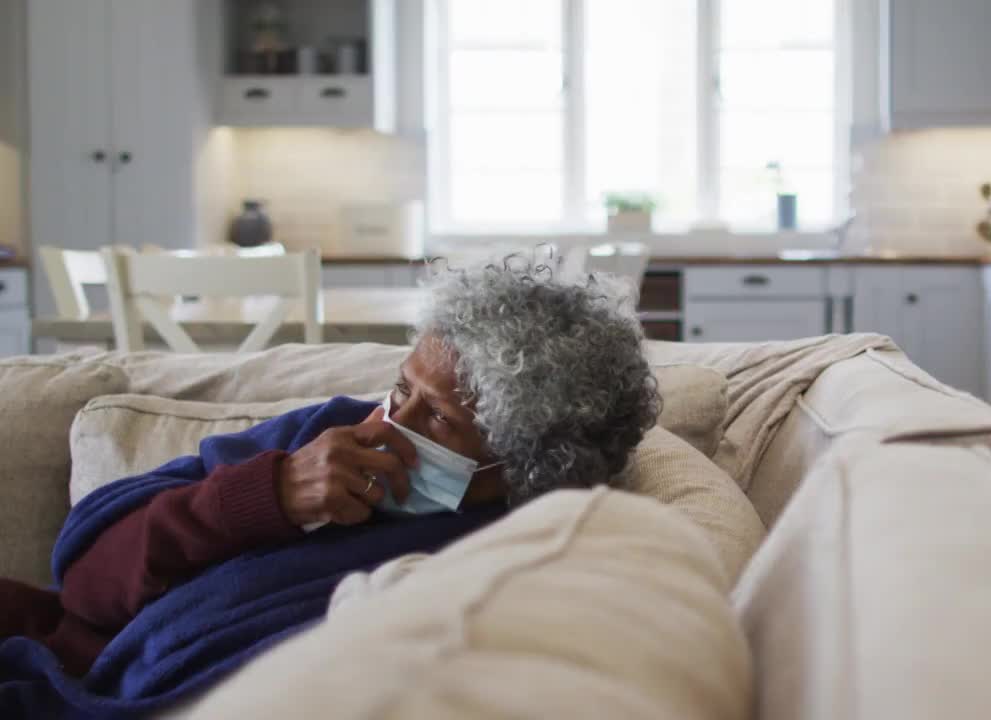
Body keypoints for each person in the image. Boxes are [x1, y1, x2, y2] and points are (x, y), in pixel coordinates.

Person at [0, 254, 661, 717]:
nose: (389, 424)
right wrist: (271, 492)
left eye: (437, 417)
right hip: (55, 646)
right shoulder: (327, 430)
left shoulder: (482, 563)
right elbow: (86, 580)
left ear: (524, 463)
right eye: (402, 387)